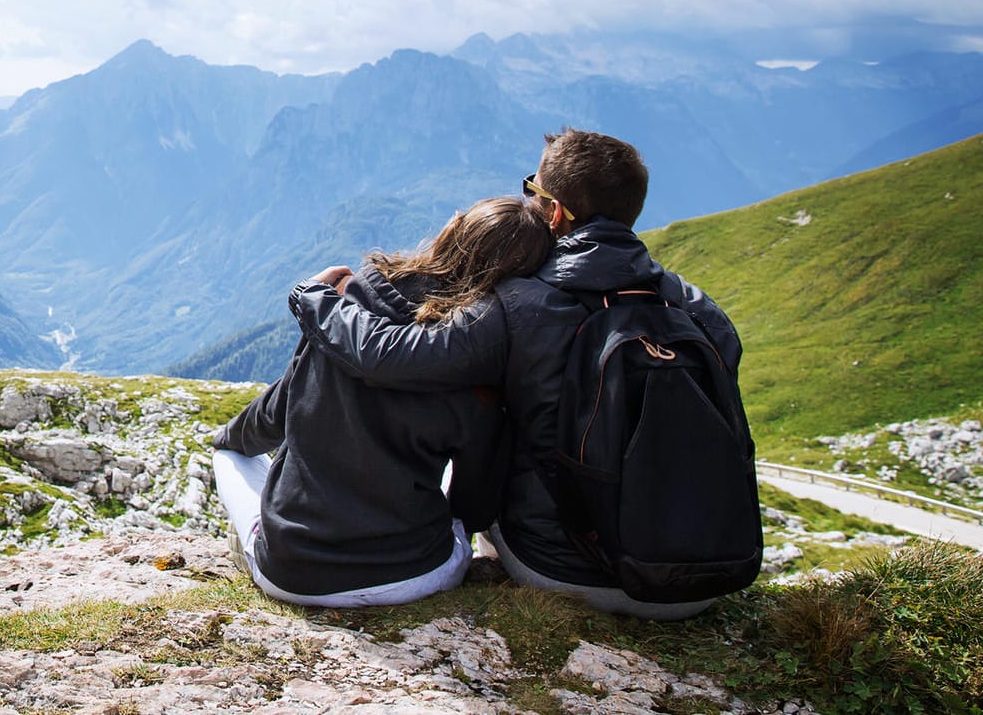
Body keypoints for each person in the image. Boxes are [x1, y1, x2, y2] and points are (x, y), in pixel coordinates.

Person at [291, 129, 743, 619]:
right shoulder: (699, 310)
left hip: (568, 570)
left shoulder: (519, 305)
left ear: (553, 213)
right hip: (705, 580)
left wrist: (316, 299)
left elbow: (389, 356)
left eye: (534, 190)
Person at [211, 197, 553, 607]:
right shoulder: (472, 363)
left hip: (293, 576)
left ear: (454, 234)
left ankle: (252, 553)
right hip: (415, 575)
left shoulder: (340, 319)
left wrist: (228, 439)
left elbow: (276, 411)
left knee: (228, 457)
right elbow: (473, 503)